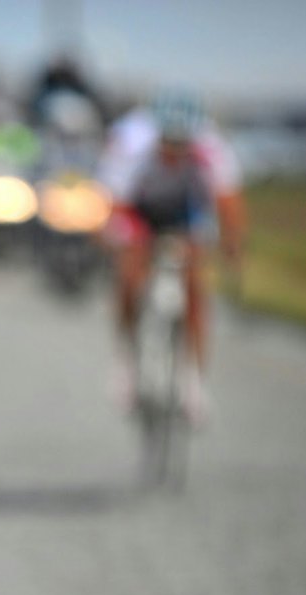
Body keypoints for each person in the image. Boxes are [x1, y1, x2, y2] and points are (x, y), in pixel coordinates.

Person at [97, 88, 246, 423]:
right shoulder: (132, 144)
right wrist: (115, 238)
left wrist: (233, 245)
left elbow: (228, 202)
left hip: (187, 212)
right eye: (168, 143)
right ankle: (127, 362)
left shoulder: (212, 149)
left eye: (183, 145)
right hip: (141, 209)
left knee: (195, 288)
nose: (175, 151)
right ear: (156, 135)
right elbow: (113, 203)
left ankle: (193, 381)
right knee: (130, 277)